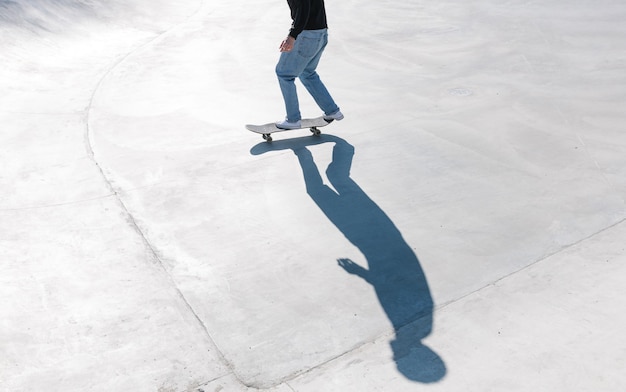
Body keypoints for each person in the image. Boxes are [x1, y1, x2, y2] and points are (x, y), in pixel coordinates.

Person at [275, 0, 344, 129]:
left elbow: (303, 10)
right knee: (307, 73)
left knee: (284, 74)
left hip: (306, 35)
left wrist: (292, 36)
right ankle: (332, 110)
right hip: (321, 33)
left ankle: (293, 119)